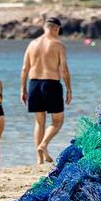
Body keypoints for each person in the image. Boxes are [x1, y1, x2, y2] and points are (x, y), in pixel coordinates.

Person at [21, 16, 72, 165]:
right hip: (51, 84)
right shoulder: (58, 45)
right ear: (56, 29)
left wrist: (23, 89)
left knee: (39, 122)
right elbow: (64, 69)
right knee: (57, 121)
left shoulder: (32, 44)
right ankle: (43, 144)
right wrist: (69, 89)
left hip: (34, 84)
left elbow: (25, 68)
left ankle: (39, 160)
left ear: (44, 27)